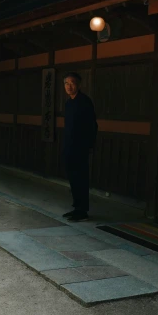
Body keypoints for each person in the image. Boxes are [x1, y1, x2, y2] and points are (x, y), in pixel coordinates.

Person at [62, 72, 97, 222]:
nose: (69, 86)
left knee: (81, 177)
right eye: (66, 84)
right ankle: (77, 207)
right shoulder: (68, 103)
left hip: (81, 146)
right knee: (72, 177)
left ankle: (83, 210)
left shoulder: (85, 101)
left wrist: (88, 145)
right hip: (69, 145)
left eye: (72, 83)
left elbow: (92, 125)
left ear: (79, 85)